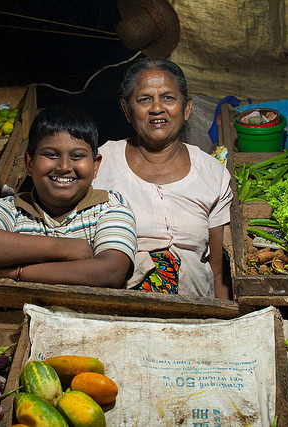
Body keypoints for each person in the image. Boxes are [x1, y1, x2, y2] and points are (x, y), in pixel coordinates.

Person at [0, 105, 137, 287]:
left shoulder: (109, 206)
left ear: (95, 166)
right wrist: (63, 248)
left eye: (77, 156)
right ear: (29, 163)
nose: (64, 167)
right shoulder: (12, 209)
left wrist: (17, 273)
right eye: (51, 155)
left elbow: (110, 272)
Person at [92, 57, 233, 299]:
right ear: (127, 110)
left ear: (187, 108)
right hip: (119, 311)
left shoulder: (213, 173)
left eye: (168, 97)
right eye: (145, 99)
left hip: (196, 311)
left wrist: (223, 321)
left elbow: (219, 274)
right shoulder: (101, 163)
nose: (157, 108)